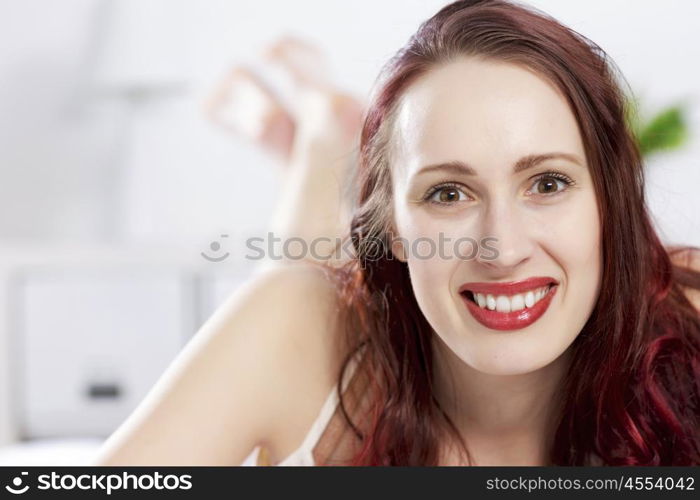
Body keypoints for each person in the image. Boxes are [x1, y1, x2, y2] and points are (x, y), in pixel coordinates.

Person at [93, 0, 700, 466]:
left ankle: (325, 127)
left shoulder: (688, 320)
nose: (504, 248)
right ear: (394, 225)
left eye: (547, 183)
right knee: (294, 269)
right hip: (333, 307)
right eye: (448, 193)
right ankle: (320, 131)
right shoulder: (293, 324)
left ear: (609, 201)